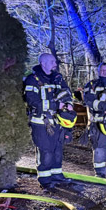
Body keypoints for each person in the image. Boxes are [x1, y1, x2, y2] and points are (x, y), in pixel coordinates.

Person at [23, 53, 74, 189]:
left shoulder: (57, 78)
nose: (55, 64)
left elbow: (67, 93)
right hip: (41, 122)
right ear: (43, 63)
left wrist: (68, 104)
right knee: (46, 150)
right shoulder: (32, 79)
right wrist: (55, 105)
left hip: (57, 121)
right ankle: (45, 179)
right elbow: (32, 100)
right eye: (52, 61)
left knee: (57, 149)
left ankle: (56, 174)